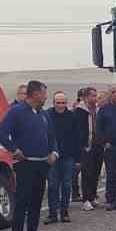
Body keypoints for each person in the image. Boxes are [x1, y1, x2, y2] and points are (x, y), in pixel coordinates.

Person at [0, 79, 55, 231]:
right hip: (25, 165)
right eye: (44, 93)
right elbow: (2, 133)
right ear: (35, 93)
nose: (45, 97)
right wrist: (14, 150)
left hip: (42, 163)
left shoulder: (43, 114)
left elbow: (51, 136)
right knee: (22, 202)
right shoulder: (17, 111)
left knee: (37, 201)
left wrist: (54, 152)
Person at [45, 90, 88, 224]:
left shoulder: (72, 117)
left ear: (67, 103)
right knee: (52, 186)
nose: (60, 105)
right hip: (52, 156)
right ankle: (52, 214)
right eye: (58, 103)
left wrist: (78, 159)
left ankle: (64, 212)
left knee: (67, 185)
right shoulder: (47, 116)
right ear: (53, 103)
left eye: (63, 103)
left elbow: (78, 139)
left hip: (68, 157)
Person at [76, 86, 103, 211]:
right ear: (86, 97)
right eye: (93, 95)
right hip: (86, 147)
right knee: (87, 173)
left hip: (98, 145)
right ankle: (85, 199)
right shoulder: (79, 111)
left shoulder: (98, 110)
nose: (95, 98)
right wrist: (82, 145)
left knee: (96, 172)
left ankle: (93, 197)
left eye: (95, 95)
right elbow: (76, 130)